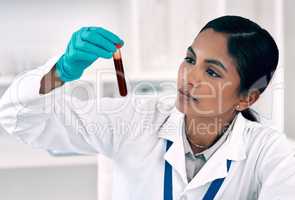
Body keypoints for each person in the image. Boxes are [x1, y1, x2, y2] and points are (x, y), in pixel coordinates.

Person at [0, 15, 294, 200]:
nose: (189, 76)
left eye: (212, 72)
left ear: (248, 98)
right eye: (190, 59)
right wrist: (60, 71)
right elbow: (18, 119)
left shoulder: (268, 151)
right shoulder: (135, 118)